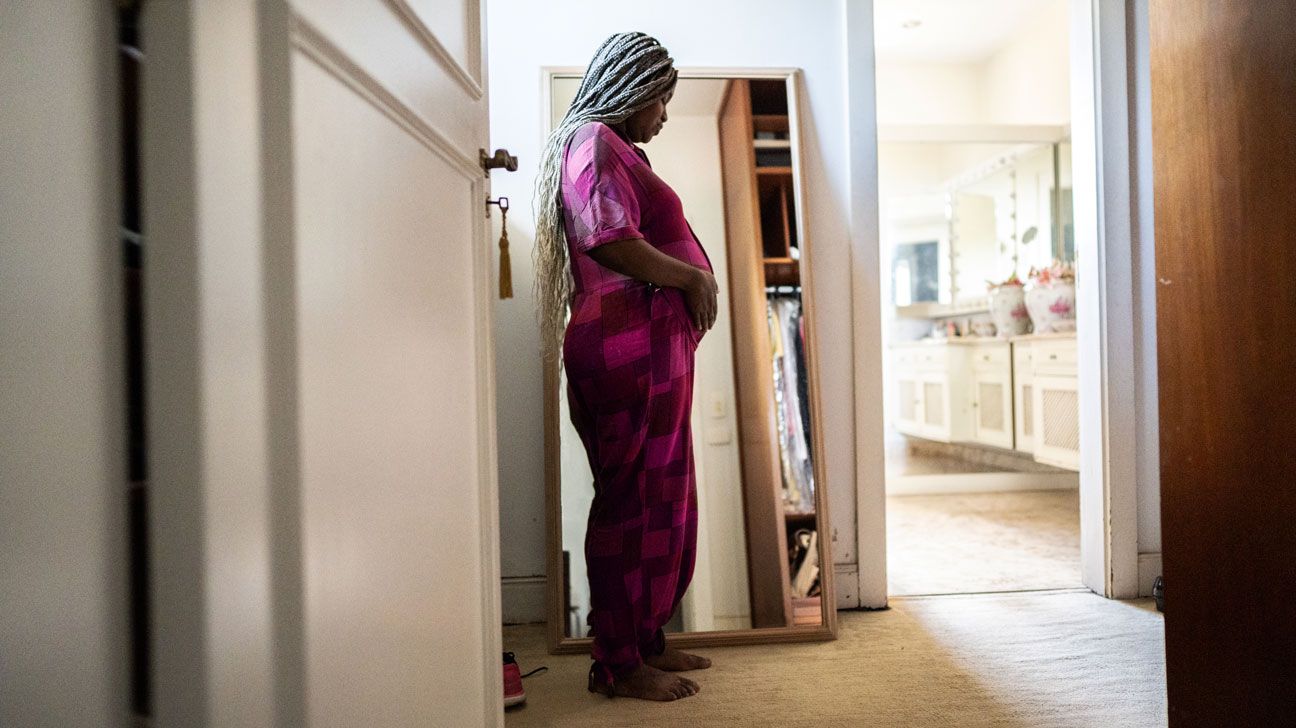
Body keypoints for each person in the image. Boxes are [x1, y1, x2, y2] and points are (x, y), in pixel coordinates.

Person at [533, 31, 719, 701]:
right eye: (661, 100)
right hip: (625, 350)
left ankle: (644, 641)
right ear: (634, 89)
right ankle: (617, 663)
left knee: (661, 498)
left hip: (646, 349)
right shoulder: (594, 143)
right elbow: (606, 237)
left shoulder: (613, 149)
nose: (664, 115)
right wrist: (692, 281)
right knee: (633, 502)